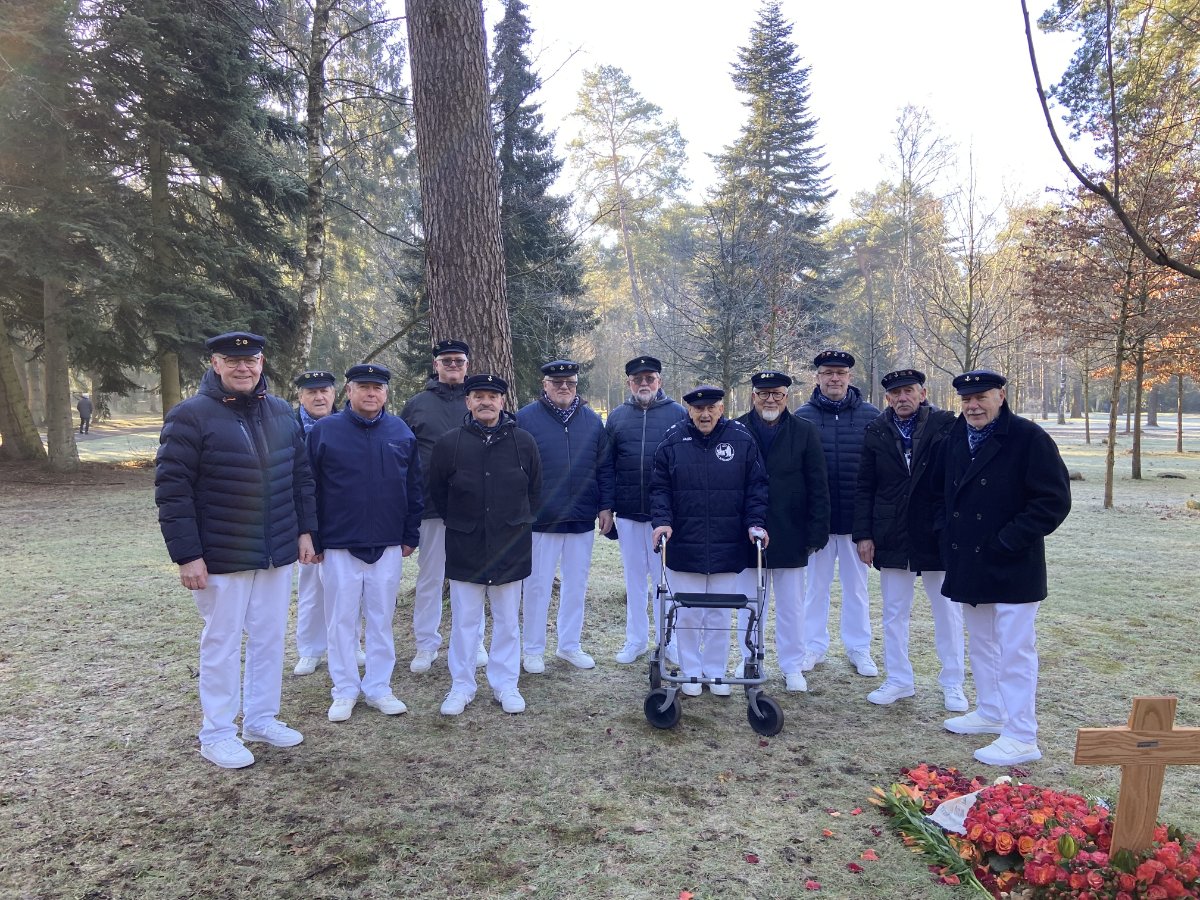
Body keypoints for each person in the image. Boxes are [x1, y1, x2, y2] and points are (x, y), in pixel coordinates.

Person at [155, 331, 317, 770]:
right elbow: (173, 492)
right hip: (220, 554)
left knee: (269, 638)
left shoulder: (281, 411)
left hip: (276, 549)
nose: (243, 367)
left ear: (261, 362)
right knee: (222, 644)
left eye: (252, 360)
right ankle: (217, 733)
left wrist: (306, 531)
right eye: (233, 360)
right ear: (216, 364)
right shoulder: (189, 416)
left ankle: (261, 719)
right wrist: (187, 555)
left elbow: (300, 477)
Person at [935, 369, 1071, 766]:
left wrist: (1009, 540)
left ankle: (1022, 735)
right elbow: (941, 494)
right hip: (968, 561)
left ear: (1001, 396)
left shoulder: (1029, 438)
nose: (973, 406)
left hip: (1013, 564)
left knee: (1015, 650)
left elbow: (1053, 501)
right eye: (967, 400)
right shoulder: (955, 437)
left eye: (982, 397)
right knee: (981, 643)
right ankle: (991, 710)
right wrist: (946, 534)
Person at [307, 364, 423, 722]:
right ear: (349, 391)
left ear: (386, 393)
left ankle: (378, 687)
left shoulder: (400, 431)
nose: (371, 393)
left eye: (378, 388)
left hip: (387, 544)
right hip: (339, 544)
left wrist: (410, 534)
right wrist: (313, 536)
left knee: (381, 620)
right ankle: (344, 689)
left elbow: (414, 486)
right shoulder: (326, 431)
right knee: (341, 621)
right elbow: (309, 487)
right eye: (363, 387)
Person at [427, 373, 542, 716]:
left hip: (510, 544)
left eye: (492, 396)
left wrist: (514, 522)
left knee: (507, 621)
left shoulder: (524, 442)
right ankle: (461, 686)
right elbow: (438, 493)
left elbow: (535, 492)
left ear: (503, 401)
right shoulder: (450, 443)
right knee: (465, 622)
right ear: (468, 402)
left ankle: (506, 685)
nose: (486, 402)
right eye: (478, 396)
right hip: (466, 545)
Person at [853, 368, 966, 711]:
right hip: (891, 532)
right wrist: (864, 535)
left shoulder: (946, 425)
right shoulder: (876, 430)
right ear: (887, 398)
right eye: (895, 394)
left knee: (947, 610)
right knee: (893, 612)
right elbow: (865, 486)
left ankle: (953, 683)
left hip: (934, 532)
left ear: (922, 393)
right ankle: (899, 679)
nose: (902, 398)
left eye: (909, 391)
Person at [650, 386, 769, 696]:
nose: (705, 414)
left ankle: (715, 673)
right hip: (684, 544)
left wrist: (755, 524)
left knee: (719, 614)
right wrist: (662, 522)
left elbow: (757, 487)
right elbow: (659, 487)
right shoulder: (672, 440)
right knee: (688, 613)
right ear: (689, 411)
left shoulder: (741, 439)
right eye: (698, 409)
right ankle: (690, 672)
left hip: (727, 544)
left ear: (721, 409)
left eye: (711, 408)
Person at [733, 370, 829, 693]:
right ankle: (748, 658)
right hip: (747, 533)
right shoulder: (736, 429)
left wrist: (817, 532)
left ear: (787, 397)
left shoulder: (805, 431)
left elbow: (818, 485)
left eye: (777, 394)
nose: (770, 400)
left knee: (791, 607)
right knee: (749, 603)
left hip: (792, 532)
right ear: (753, 396)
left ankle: (792, 666)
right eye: (764, 394)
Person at [516, 360, 614, 674]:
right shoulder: (525, 418)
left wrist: (605, 506)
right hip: (541, 519)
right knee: (537, 586)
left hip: (581, 517)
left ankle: (569, 645)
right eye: (557, 382)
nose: (564, 387)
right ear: (545, 385)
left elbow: (604, 467)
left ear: (576, 385)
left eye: (570, 382)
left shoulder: (592, 421)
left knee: (576, 585)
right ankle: (533, 649)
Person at [399, 339, 487, 674]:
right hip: (432, 506)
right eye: (446, 360)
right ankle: (426, 644)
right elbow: (403, 455)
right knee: (431, 578)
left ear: (467, 365)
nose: (453, 366)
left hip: (473, 507)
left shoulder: (478, 401)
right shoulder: (417, 405)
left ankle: (475, 641)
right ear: (436, 365)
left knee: (473, 578)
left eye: (458, 361)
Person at [795, 349, 881, 679]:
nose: (834, 378)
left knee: (856, 589)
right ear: (817, 377)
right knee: (815, 588)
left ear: (849, 377)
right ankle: (812, 645)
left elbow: (878, 471)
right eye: (828, 373)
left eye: (840, 373)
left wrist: (870, 525)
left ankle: (859, 647)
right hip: (817, 522)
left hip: (856, 523)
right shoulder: (802, 416)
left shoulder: (870, 416)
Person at [605, 355, 686, 664]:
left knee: (666, 582)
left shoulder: (678, 414)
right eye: (637, 379)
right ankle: (636, 640)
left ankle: (669, 641)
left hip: (663, 517)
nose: (644, 383)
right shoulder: (617, 417)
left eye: (649, 378)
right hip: (627, 514)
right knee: (634, 581)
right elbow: (607, 465)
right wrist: (606, 506)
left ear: (659, 381)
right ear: (629, 383)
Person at [291, 369, 341, 677]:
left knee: (348, 588)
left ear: (334, 394)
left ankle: (350, 644)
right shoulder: (289, 427)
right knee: (311, 586)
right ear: (301, 397)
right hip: (306, 518)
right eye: (312, 392)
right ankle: (310, 649)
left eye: (324, 391)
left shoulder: (347, 423)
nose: (319, 397)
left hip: (342, 517)